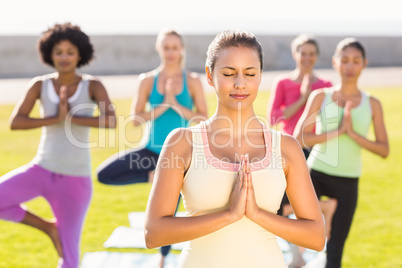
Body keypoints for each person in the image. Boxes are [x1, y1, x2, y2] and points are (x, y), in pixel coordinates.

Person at [144, 29, 326, 268]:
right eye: (229, 73)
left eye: (250, 73)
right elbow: (153, 233)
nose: (240, 84)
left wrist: (258, 215)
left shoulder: (286, 147)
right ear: (210, 76)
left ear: (260, 75)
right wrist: (229, 215)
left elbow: (315, 236)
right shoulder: (182, 142)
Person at [0, 22, 116, 268]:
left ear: (80, 54)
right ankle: (48, 228)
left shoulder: (92, 85)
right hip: (41, 169)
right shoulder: (39, 85)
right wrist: (55, 118)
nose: (64, 57)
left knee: (70, 258)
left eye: (70, 52)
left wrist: (72, 116)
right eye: (59, 52)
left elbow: (111, 120)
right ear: (49, 54)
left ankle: (58, 234)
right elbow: (16, 122)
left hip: (75, 179)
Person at [96, 29, 207, 267]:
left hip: (180, 156)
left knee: (168, 214)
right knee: (104, 174)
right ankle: (151, 177)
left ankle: (163, 258)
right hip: (150, 151)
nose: (170, 52)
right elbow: (135, 119)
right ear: (159, 49)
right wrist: (162, 105)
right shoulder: (147, 80)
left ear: (182, 50)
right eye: (166, 47)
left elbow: (203, 118)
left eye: (174, 47)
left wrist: (175, 104)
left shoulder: (194, 80)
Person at [294, 38, 389, 268]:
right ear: (335, 63)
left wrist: (354, 135)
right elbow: (300, 137)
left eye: (355, 61)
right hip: (316, 174)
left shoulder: (372, 103)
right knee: (301, 234)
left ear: (364, 64)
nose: (350, 66)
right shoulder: (321, 96)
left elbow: (384, 150)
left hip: (348, 181)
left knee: (335, 250)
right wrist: (336, 132)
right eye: (344, 60)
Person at [267, 34, 336, 267]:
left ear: (317, 56)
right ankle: (298, 254)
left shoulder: (326, 86)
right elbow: (274, 117)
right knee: (278, 209)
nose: (307, 58)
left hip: (314, 151)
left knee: (305, 207)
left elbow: (331, 119)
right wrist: (304, 98)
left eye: (311, 54)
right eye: (303, 53)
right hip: (286, 151)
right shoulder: (283, 83)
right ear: (295, 54)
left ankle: (300, 255)